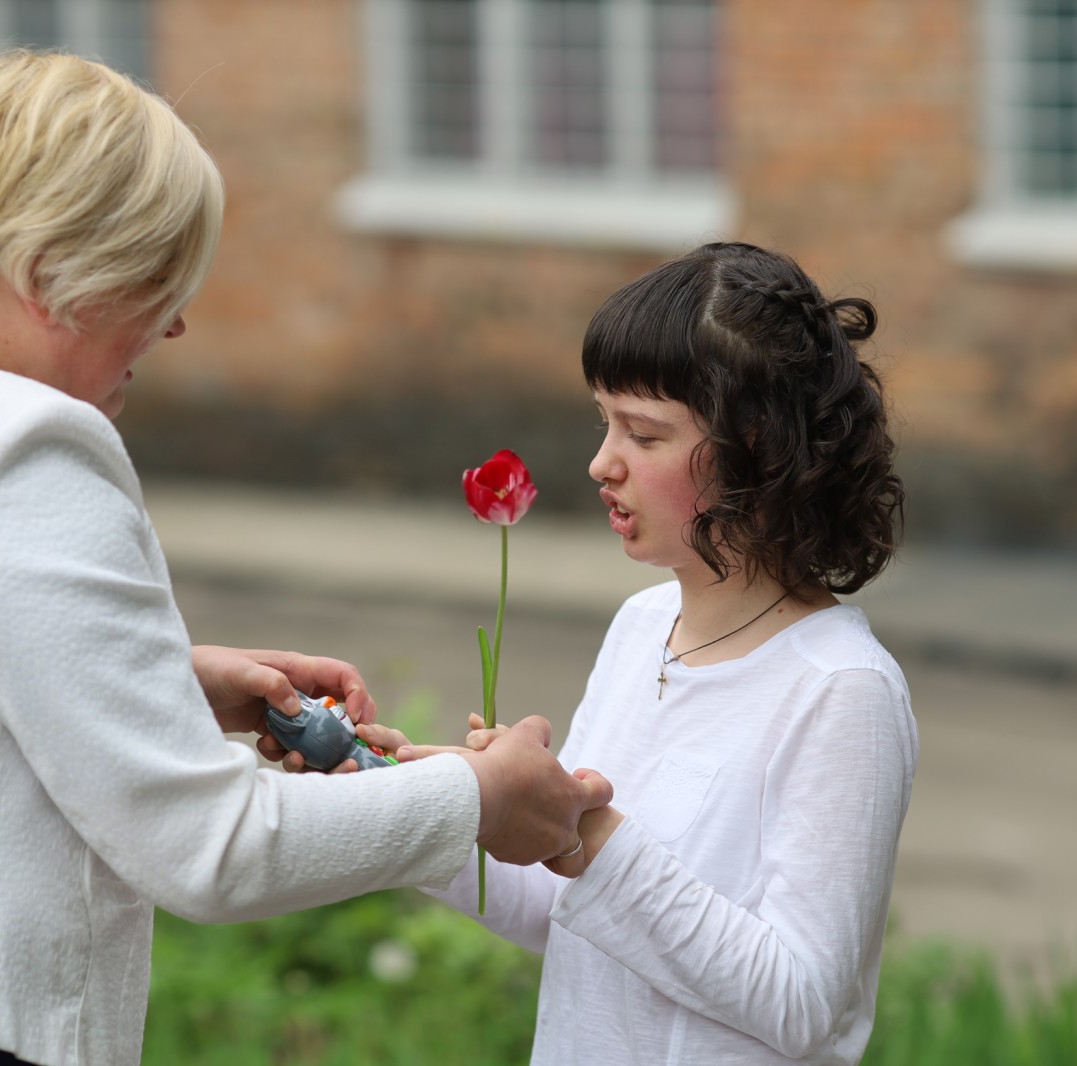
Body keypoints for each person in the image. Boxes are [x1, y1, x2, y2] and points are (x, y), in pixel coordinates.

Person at [0, 50, 608, 1066]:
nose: (179, 321)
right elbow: (207, 847)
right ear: (47, 275)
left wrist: (157, 682)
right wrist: (481, 798)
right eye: (156, 279)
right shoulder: (19, 445)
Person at [382, 242, 918, 1064]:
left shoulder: (842, 691)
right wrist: (427, 798)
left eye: (643, 433)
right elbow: (555, 907)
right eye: (604, 423)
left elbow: (804, 1001)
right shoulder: (643, 625)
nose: (602, 463)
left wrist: (581, 831)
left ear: (757, 448)